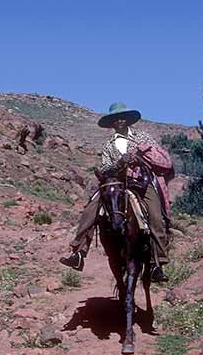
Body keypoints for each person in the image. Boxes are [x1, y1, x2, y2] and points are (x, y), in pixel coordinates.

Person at [60, 102, 174, 282]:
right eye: (116, 119)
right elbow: (105, 168)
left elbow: (156, 156)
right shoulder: (109, 145)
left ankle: (156, 263)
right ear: (112, 123)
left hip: (141, 182)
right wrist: (120, 162)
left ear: (127, 120)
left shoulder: (142, 136)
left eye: (122, 118)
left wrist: (139, 158)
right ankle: (79, 252)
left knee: (155, 216)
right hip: (118, 183)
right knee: (91, 208)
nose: (120, 121)